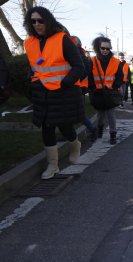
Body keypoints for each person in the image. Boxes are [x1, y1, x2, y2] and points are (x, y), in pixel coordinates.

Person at [23, 6, 84, 179]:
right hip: (41, 93)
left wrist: (65, 82)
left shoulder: (62, 39)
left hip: (62, 92)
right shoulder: (29, 42)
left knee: (65, 126)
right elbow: (35, 65)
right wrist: (31, 74)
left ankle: (75, 144)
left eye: (40, 20)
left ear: (48, 20)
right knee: (46, 127)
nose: (37, 24)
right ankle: (53, 165)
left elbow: (79, 66)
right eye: (33, 21)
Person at [88, 35, 124, 145]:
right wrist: (93, 87)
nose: (105, 51)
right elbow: (89, 76)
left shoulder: (116, 62)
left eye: (108, 49)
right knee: (100, 115)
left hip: (110, 93)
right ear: (98, 48)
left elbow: (120, 77)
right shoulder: (92, 60)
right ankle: (99, 130)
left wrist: (114, 86)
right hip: (97, 93)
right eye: (103, 48)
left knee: (111, 115)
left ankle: (113, 135)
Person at [71, 35, 98, 142]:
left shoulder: (77, 53)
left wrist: (76, 77)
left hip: (78, 88)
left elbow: (86, 68)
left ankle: (92, 129)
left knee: (78, 113)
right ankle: (71, 134)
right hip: (76, 87)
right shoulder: (78, 52)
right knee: (74, 112)